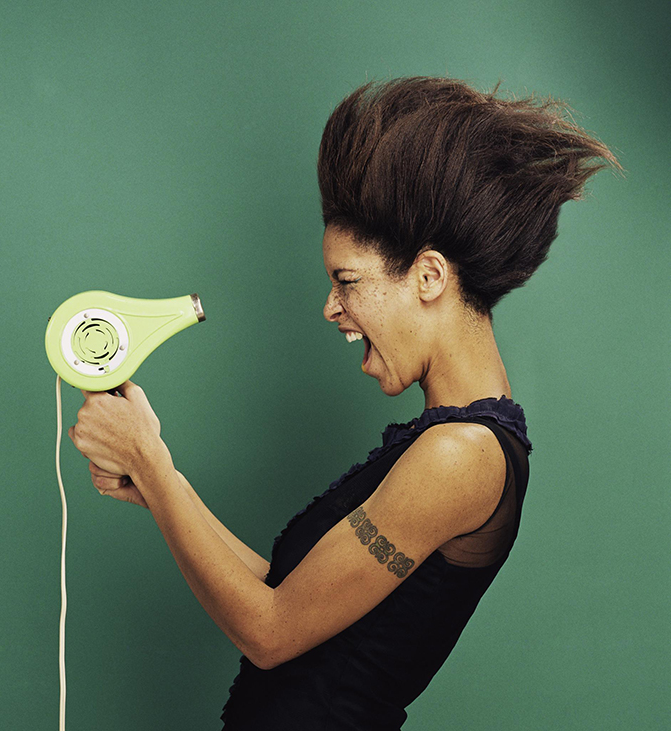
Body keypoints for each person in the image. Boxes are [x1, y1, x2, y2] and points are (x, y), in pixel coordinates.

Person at [68, 76, 622, 730]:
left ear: (429, 276)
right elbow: (284, 594)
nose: (332, 307)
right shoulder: (444, 441)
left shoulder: (462, 454)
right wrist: (163, 484)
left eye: (348, 281)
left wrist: (151, 462)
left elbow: (270, 632)